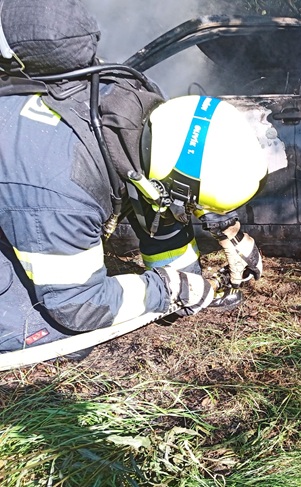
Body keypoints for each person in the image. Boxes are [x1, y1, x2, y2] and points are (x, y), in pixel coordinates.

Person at [0, 0, 266, 357]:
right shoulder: (64, 189)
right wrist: (167, 291)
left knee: (157, 203)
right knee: (60, 330)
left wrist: (225, 228)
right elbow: (78, 305)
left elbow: (169, 185)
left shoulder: (140, 104)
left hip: (36, 187)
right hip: (36, 193)